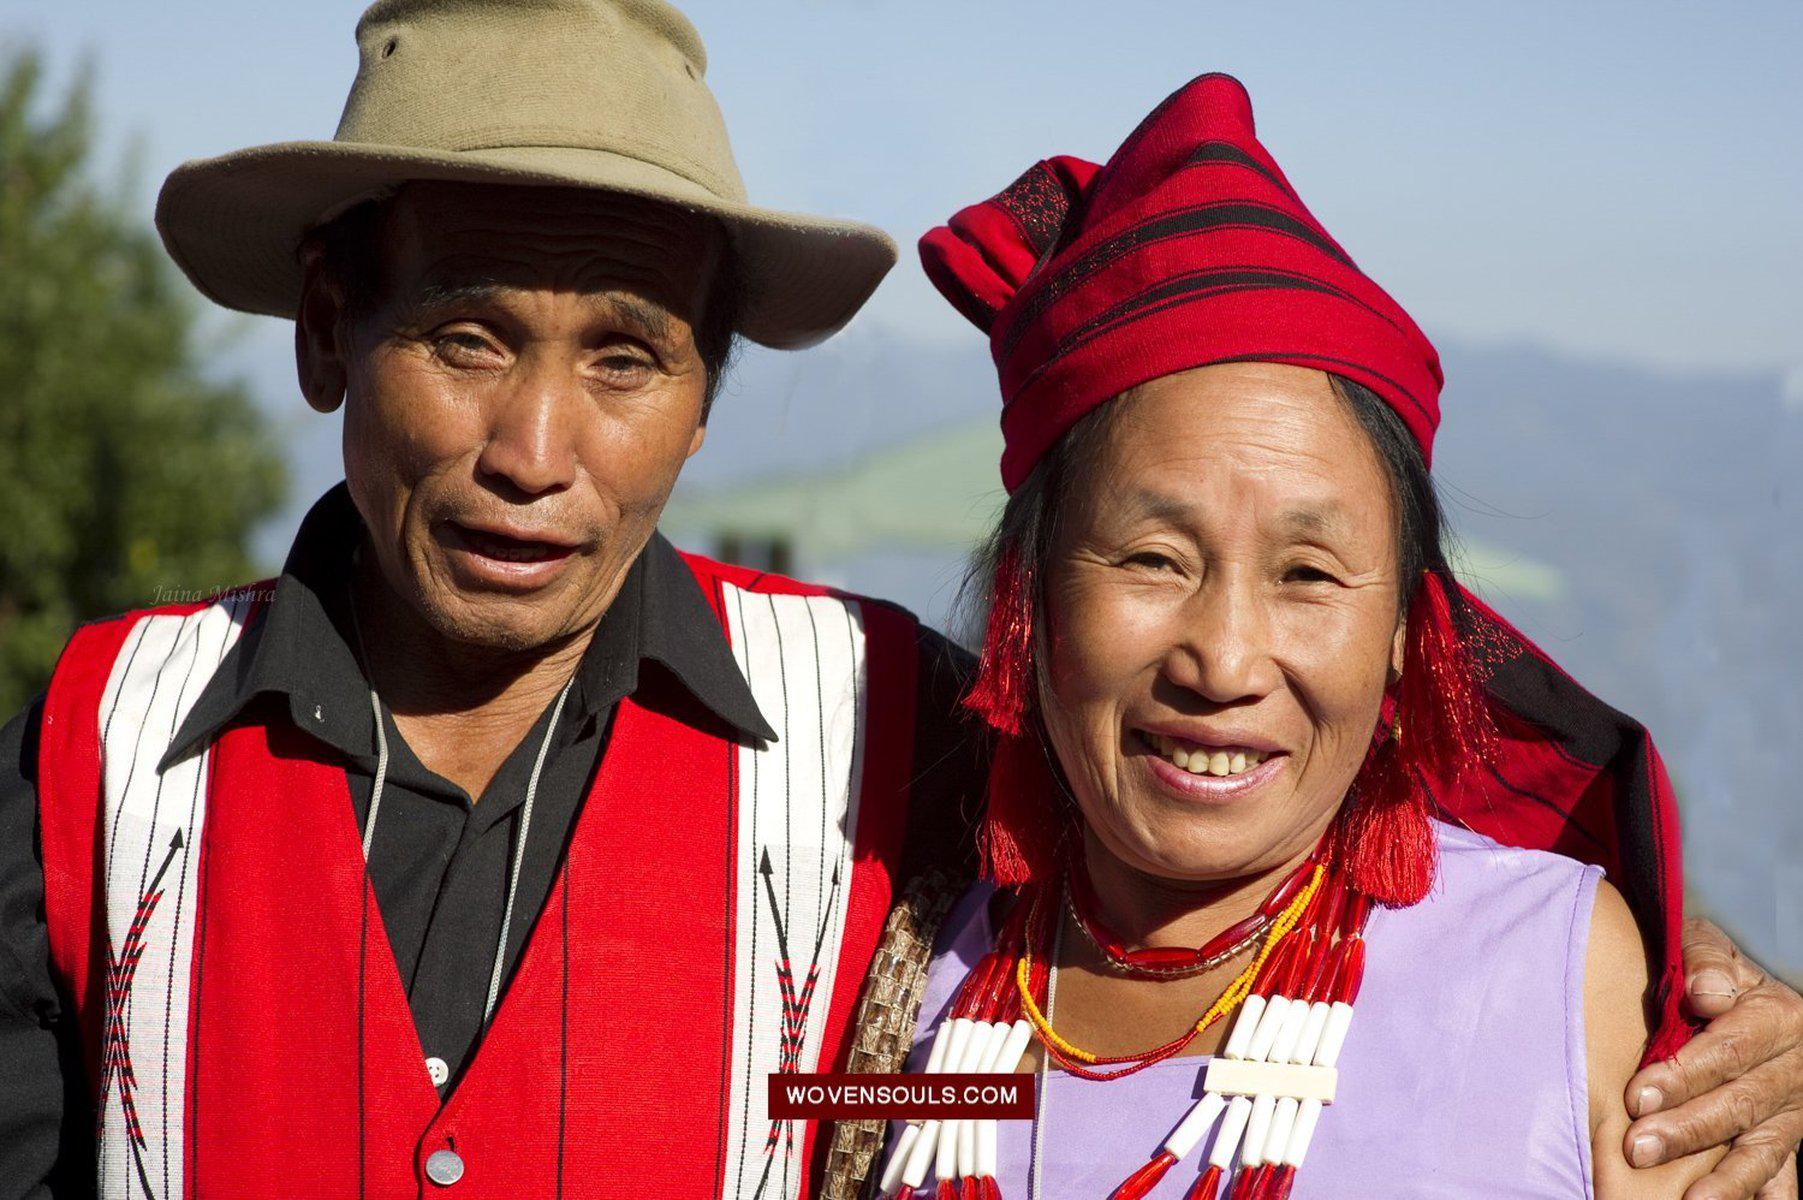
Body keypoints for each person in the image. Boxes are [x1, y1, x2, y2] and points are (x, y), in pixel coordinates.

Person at [0, 4, 1793, 1199]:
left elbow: (1198, 889)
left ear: (709, 391)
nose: (534, 450)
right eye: (464, 337)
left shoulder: (869, 735)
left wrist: (1713, 1009)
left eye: (626, 358)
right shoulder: (94, 751)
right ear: (330, 328)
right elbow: (964, 1101)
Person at [828, 74, 1800, 1200]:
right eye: (1153, 559)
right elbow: (768, 1124)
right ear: (1029, 601)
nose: (1226, 663)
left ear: (1406, 635)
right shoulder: (909, 970)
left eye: (1308, 575)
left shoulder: (1564, 981)